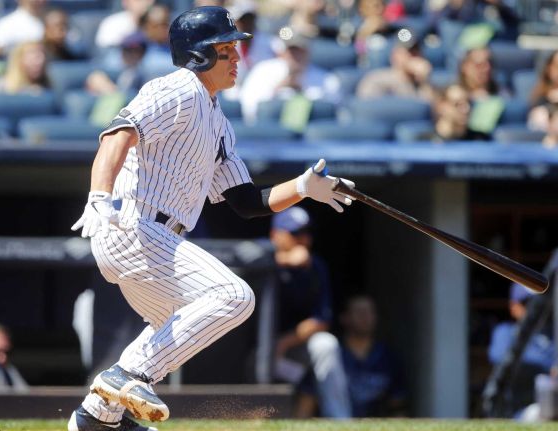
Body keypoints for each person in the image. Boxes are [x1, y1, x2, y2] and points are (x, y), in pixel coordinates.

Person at [67, 6, 356, 431]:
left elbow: (244, 201)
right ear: (200, 55)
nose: (238, 57)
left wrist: (302, 188)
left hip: (153, 236)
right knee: (235, 297)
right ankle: (125, 378)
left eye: (236, 49)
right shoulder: (178, 88)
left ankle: (96, 416)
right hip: (134, 224)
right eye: (226, 49)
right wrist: (98, 195)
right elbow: (118, 134)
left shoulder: (218, 119)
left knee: (173, 329)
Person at [269, 206, 351, 418]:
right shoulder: (261, 260)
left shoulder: (315, 267)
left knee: (326, 344)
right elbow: (239, 256)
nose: (303, 240)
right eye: (295, 234)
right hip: (258, 352)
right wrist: (282, 260)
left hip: (293, 350)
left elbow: (322, 320)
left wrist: (284, 342)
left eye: (306, 233)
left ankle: (340, 421)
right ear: (275, 235)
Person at [239, 32, 340, 124]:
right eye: (291, 50)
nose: (294, 56)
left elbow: (335, 113)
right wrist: (276, 89)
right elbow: (248, 108)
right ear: (283, 52)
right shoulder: (262, 71)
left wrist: (302, 90)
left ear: (308, 51)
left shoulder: (327, 79)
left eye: (299, 50)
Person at [355, 38, 434, 101]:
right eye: (409, 52)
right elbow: (369, 111)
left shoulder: (421, 83)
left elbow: (428, 110)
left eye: (416, 52)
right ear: (395, 55)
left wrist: (424, 80)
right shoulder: (376, 79)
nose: (414, 57)